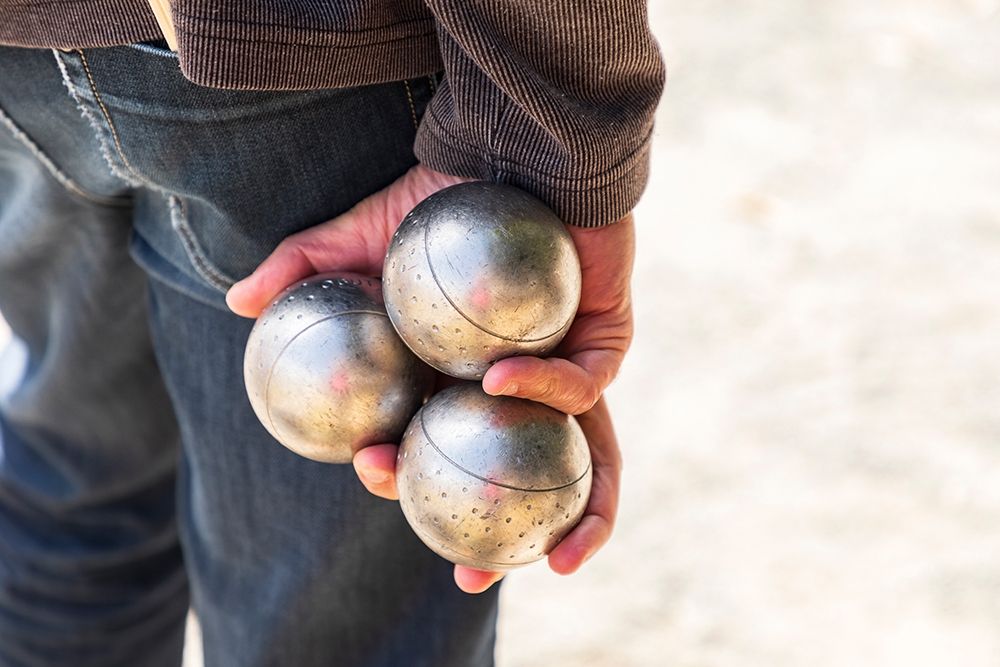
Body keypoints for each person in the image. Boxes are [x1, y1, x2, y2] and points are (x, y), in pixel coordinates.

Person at [0, 2, 664, 665]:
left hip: (20, 53)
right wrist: (551, 142)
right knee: (339, 631)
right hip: (295, 60)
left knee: (75, 499)